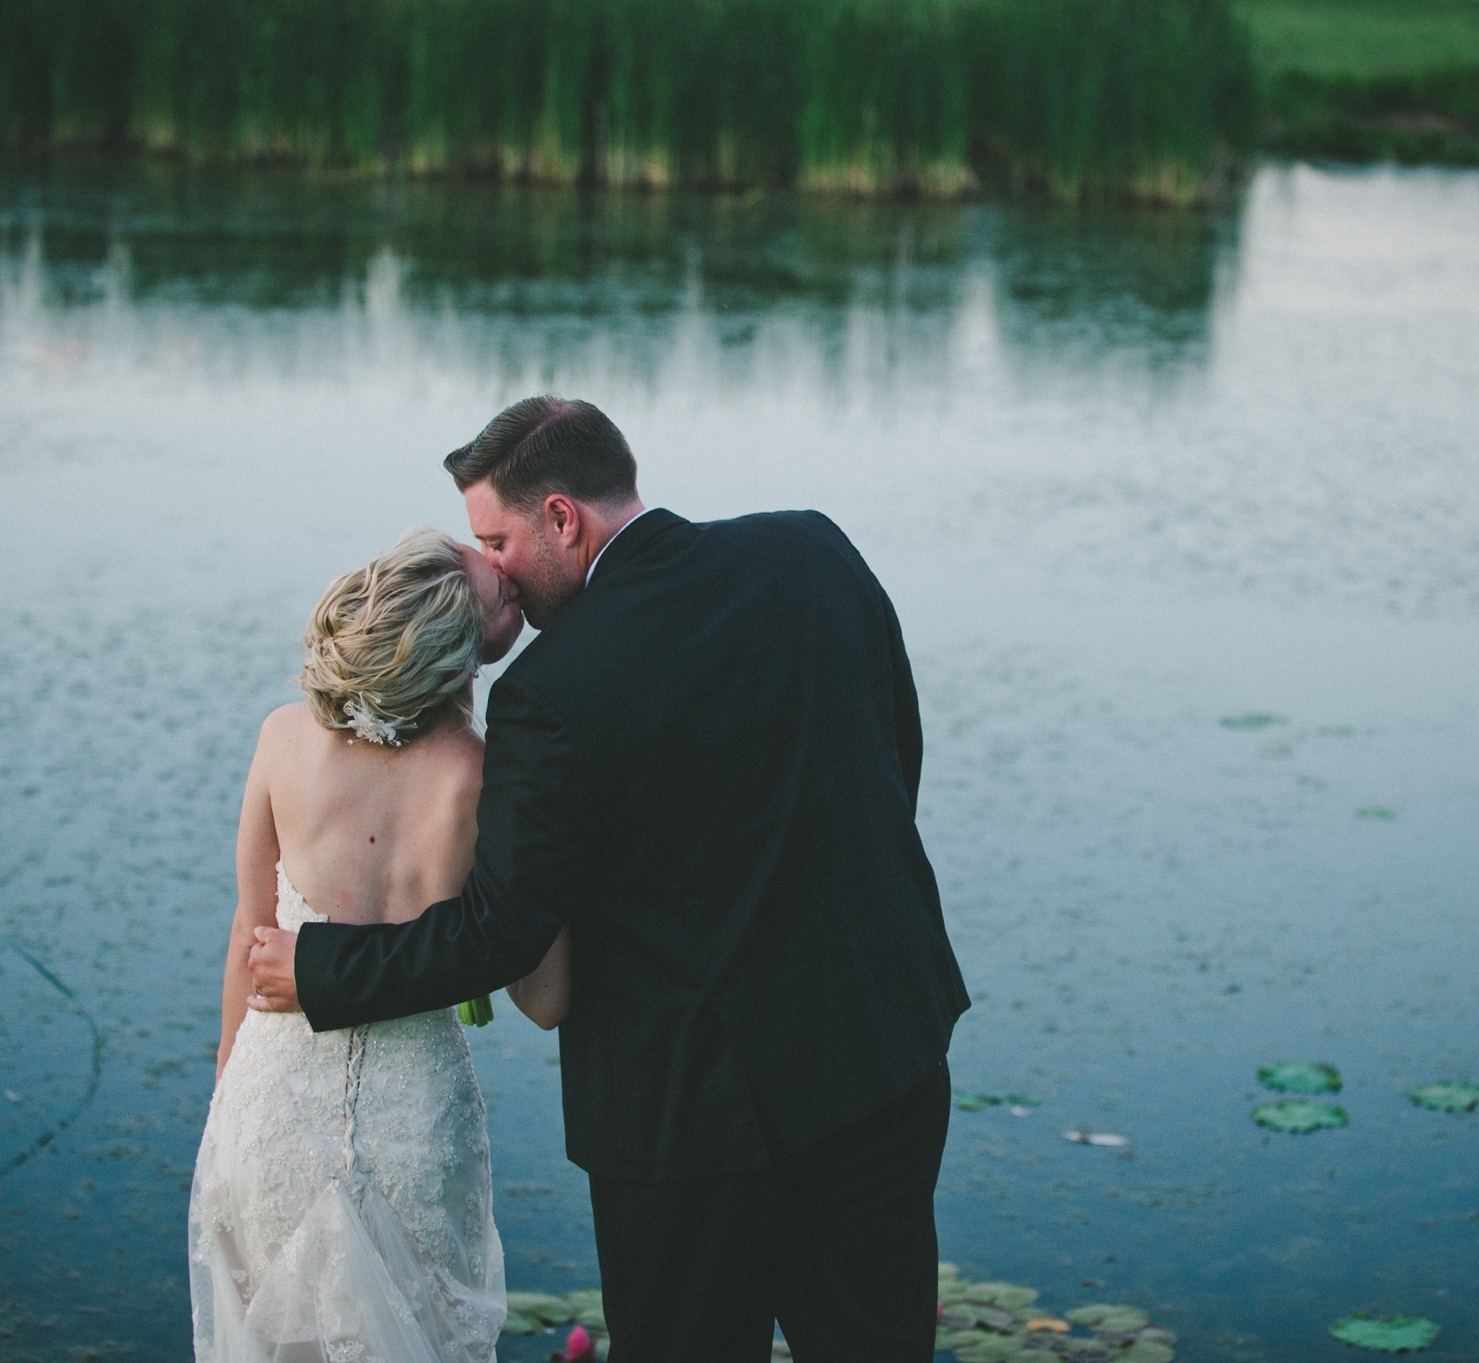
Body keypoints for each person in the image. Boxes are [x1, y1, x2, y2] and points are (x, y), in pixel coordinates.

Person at [248, 396, 970, 1362]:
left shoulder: (550, 694)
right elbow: (895, 758)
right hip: (882, 1056)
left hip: (687, 1123)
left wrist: (323, 968)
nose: (490, 568)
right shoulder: (811, 552)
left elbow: (501, 933)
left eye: (495, 538)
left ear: (561, 517)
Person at [189, 527, 571, 1363]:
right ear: (458, 648)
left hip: (269, 1107)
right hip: (413, 1125)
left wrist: (226, 1092)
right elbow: (545, 1000)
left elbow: (249, 933)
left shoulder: (282, 740)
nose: (511, 577)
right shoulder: (485, 776)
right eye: (499, 590)